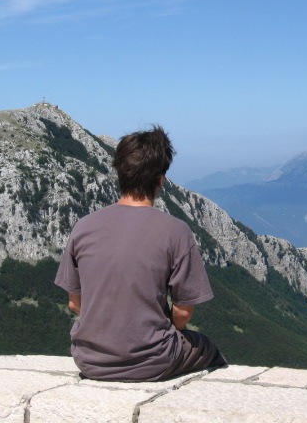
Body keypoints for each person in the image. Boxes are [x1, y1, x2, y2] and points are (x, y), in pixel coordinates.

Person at [55, 125, 226, 381]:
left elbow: (74, 303)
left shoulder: (83, 227)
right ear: (160, 180)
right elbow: (183, 313)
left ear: (120, 174)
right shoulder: (176, 231)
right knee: (208, 348)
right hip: (154, 361)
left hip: (90, 361)